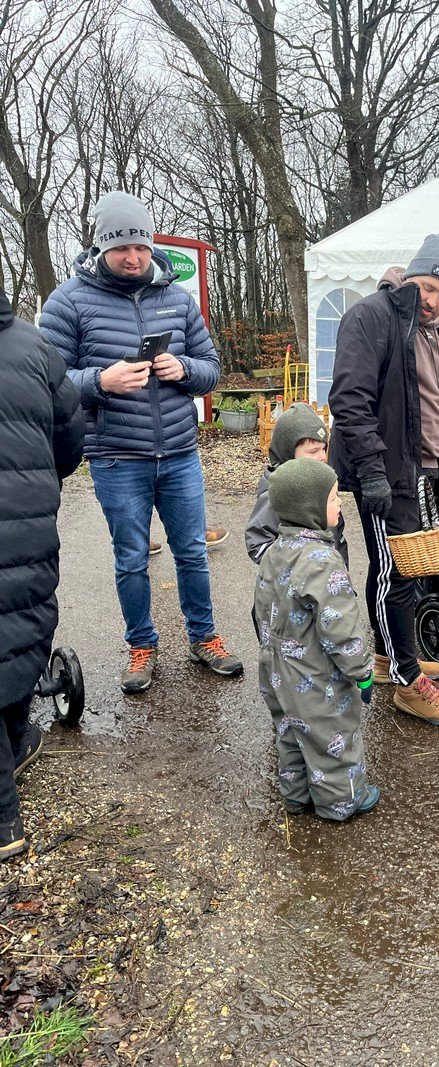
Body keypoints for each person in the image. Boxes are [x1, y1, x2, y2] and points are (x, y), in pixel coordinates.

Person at [39, 191, 242, 694]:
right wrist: (100, 382)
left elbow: (211, 369)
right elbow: (48, 379)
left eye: (141, 247)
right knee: (131, 557)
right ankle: (142, 646)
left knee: (191, 552)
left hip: (178, 453)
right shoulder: (68, 301)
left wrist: (185, 370)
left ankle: (204, 637)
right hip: (114, 457)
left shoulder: (177, 298)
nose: (132, 257)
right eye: (120, 248)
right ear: (100, 248)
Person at [328, 233, 439, 726]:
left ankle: (390, 659)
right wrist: (372, 473)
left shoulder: (433, 333)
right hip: (385, 471)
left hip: (421, 470)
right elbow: (349, 400)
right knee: (397, 573)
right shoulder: (372, 316)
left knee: (395, 569)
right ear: (412, 275)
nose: (435, 301)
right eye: (430, 287)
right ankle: (409, 684)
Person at [0, 286, 84, 860]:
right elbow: (69, 433)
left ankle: (5, 819)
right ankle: (20, 734)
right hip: (26, 519)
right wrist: (38, 479)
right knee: (20, 623)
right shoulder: (35, 346)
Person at [253, 458, 379, 820]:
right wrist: (362, 672)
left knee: (290, 732)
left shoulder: (273, 552)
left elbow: (262, 609)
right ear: (310, 509)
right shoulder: (324, 560)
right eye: (334, 498)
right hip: (315, 674)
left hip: (275, 669)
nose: (340, 504)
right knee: (333, 738)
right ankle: (342, 802)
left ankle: (296, 795)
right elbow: (341, 629)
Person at [245, 403, 347, 565]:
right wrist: (299, 564)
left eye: (323, 449)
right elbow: (258, 543)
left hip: (328, 580)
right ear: (288, 453)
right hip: (298, 584)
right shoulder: (279, 491)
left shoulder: (321, 483)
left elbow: (337, 536)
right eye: (313, 451)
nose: (322, 457)